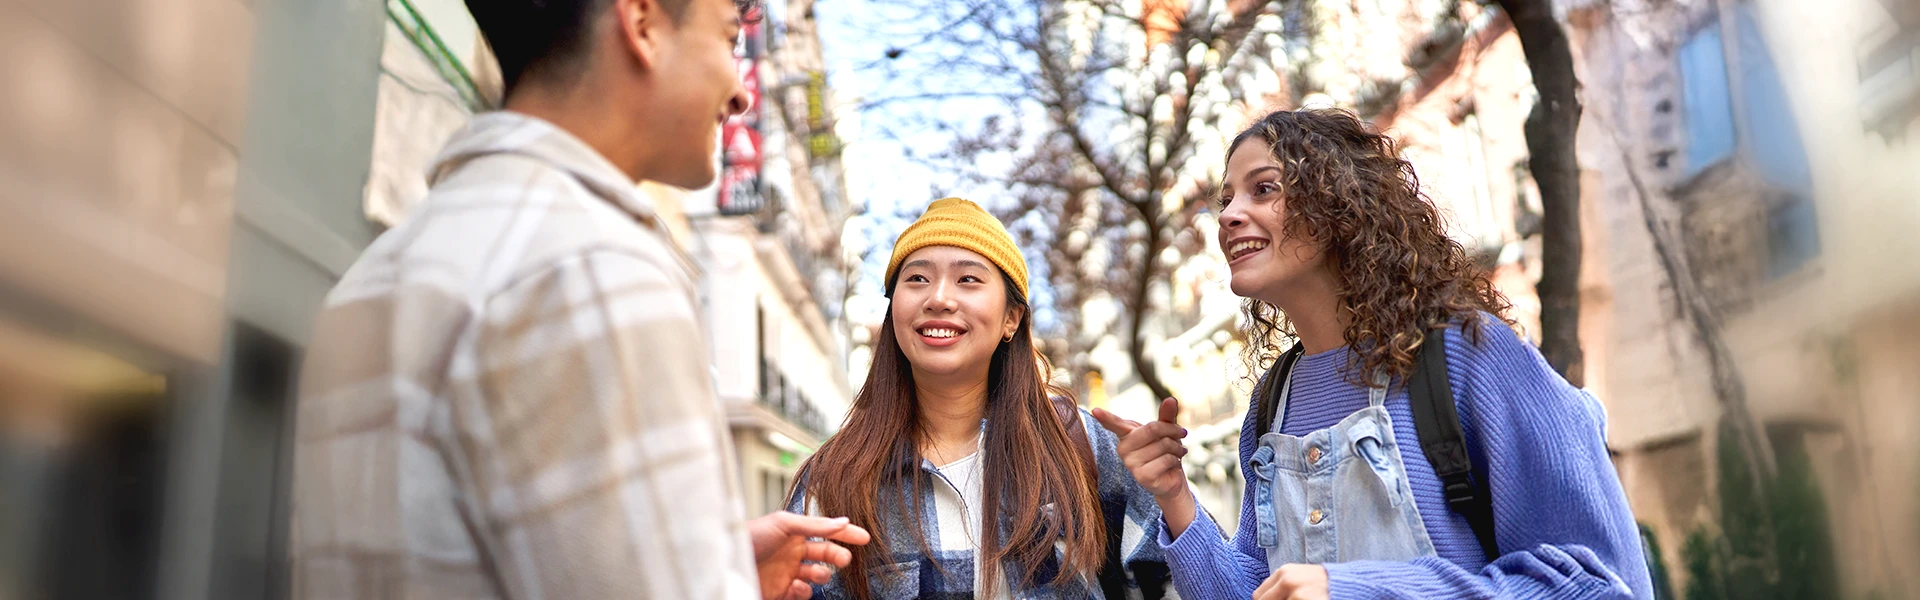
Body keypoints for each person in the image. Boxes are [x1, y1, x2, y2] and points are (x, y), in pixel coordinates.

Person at [287, 0, 867, 597]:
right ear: (642, 23)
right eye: (727, 39)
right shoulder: (596, 265)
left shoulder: (375, 275)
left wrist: (714, 565)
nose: (740, 92)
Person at [1092, 109, 1654, 599]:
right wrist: (1175, 498)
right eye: (1228, 198)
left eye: (1263, 189)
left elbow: (1597, 581)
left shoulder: (1466, 353)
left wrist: (1354, 590)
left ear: (1340, 205)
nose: (1228, 215)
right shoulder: (1272, 403)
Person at [786, 198, 1176, 599]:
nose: (938, 298)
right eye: (917, 278)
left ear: (1012, 319)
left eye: (968, 279)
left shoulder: (1081, 447)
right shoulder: (835, 479)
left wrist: (1174, 495)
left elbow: (1183, 583)